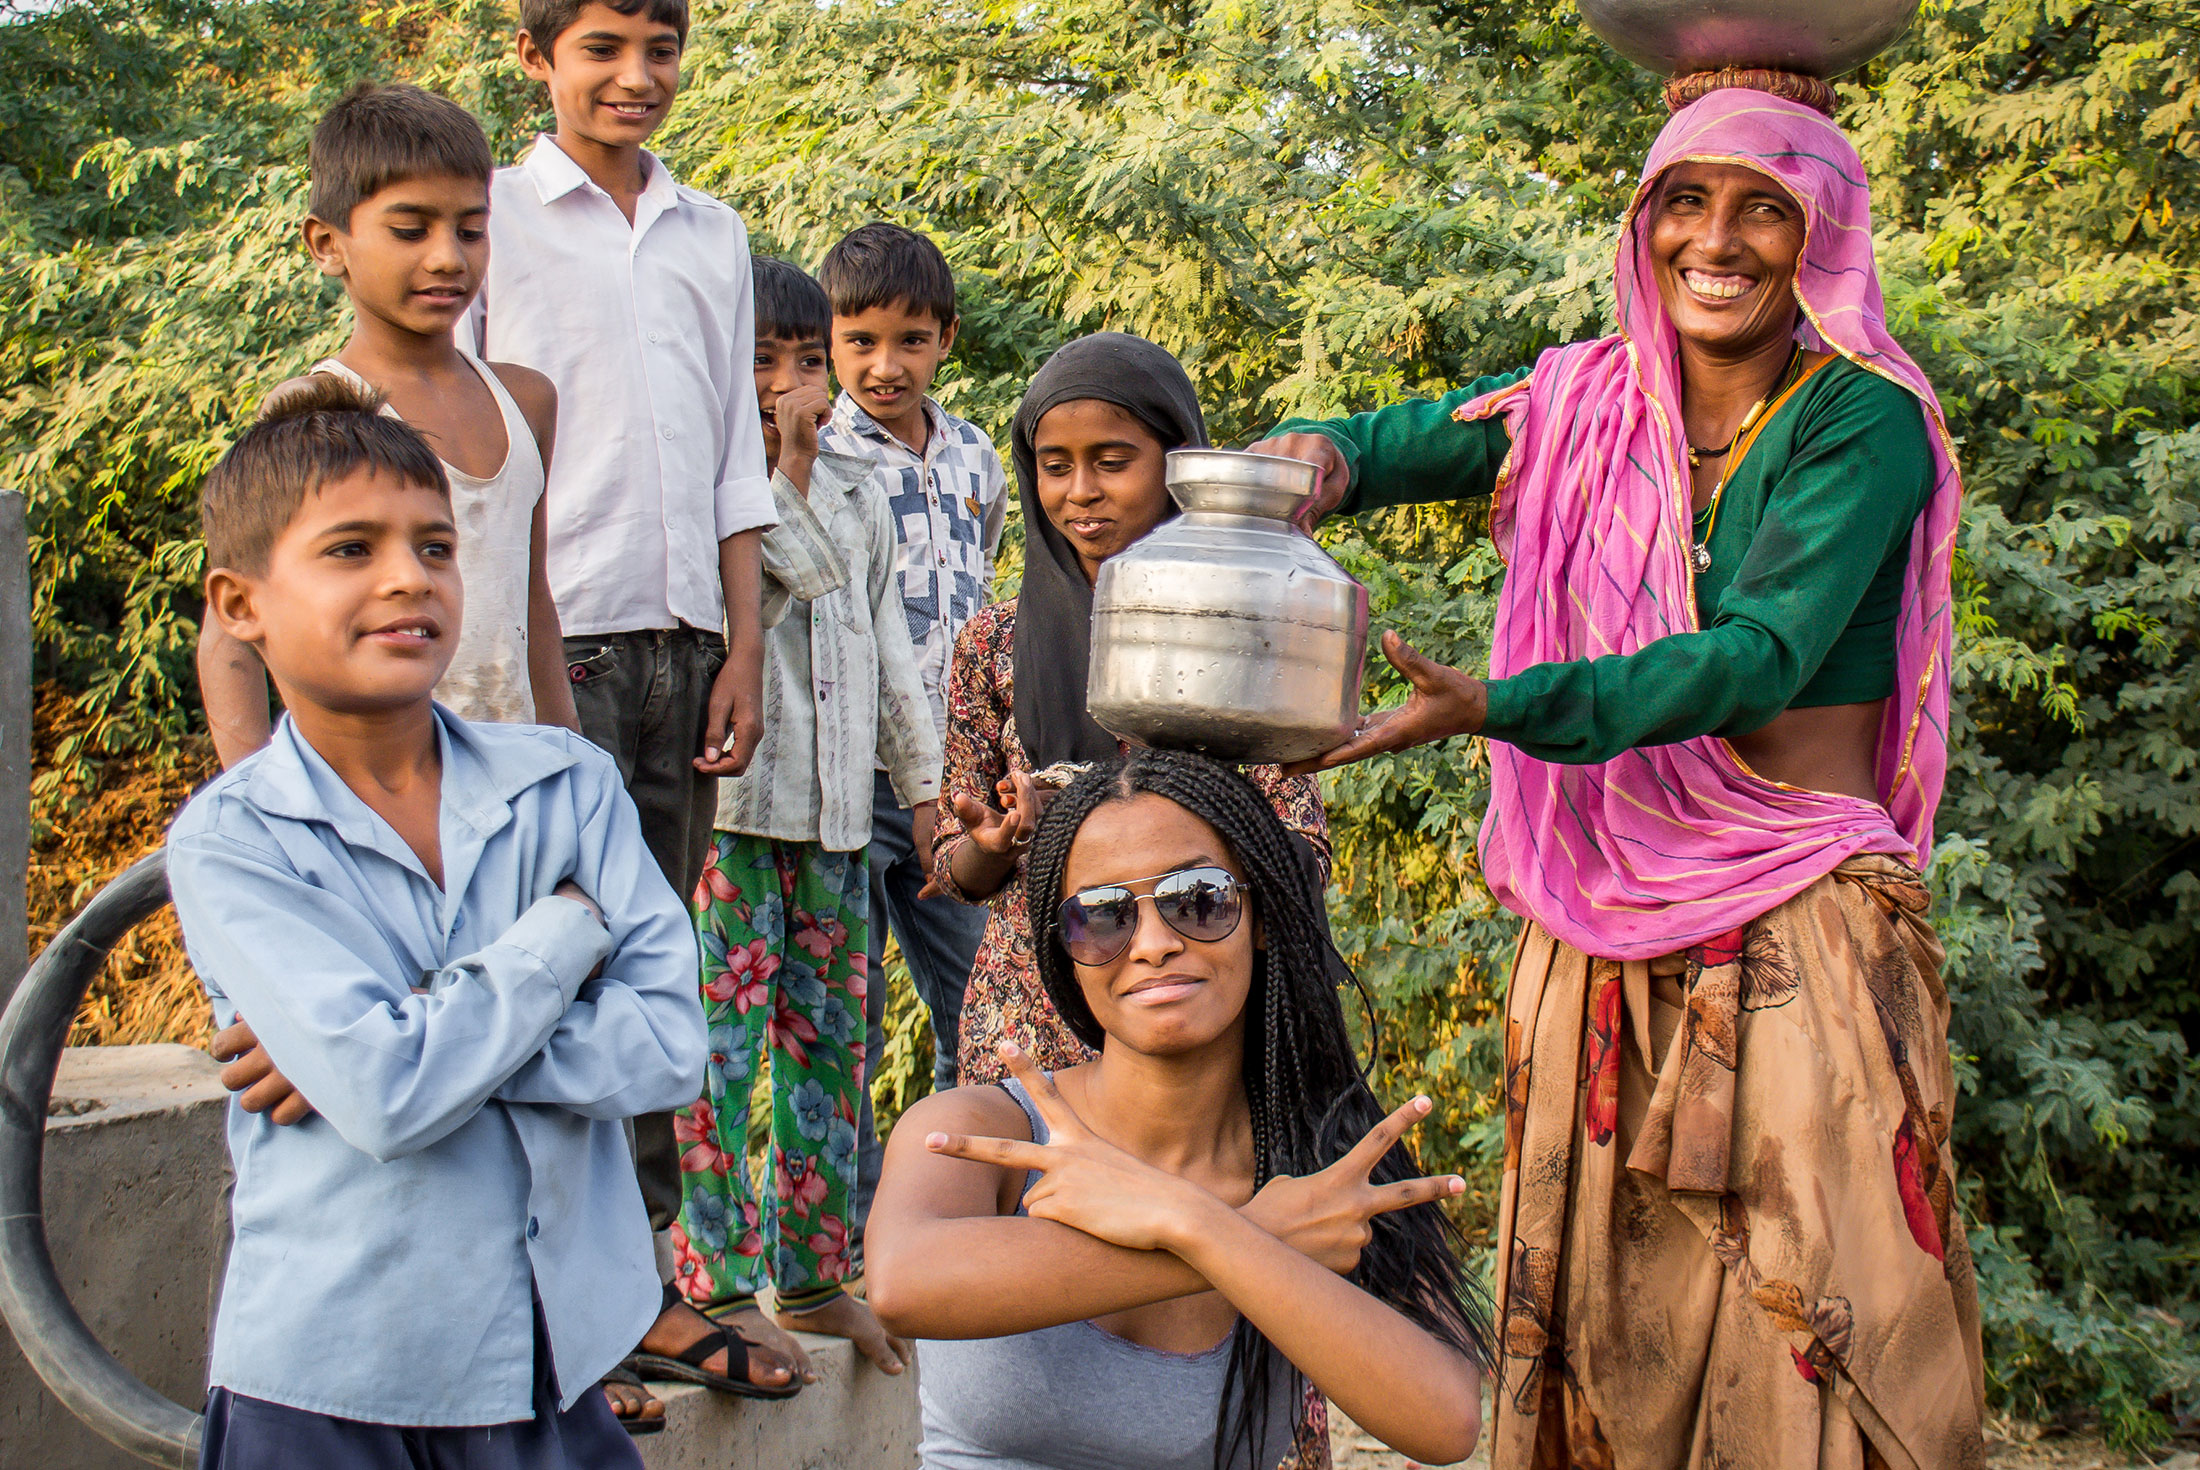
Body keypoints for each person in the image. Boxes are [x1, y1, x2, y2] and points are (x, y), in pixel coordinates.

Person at [1249, 83, 1982, 1467]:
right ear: (1645, 225)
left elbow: (1756, 660)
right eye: (1686, 203)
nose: (1720, 238)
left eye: (1764, 206)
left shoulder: (1860, 422)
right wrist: (1324, 456)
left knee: (1809, 1312)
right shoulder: (1588, 398)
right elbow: (1437, 430)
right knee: (1598, 1314)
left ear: (1817, 234)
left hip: (1802, 922)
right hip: (1594, 928)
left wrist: (1497, 706)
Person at [172, 377, 706, 1464]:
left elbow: (666, 1050)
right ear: (240, 605)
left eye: (435, 546)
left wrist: (394, 1041)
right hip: (330, 1385)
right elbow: (384, 1094)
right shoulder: (236, 839)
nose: (407, 578)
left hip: (555, 1374)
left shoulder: (566, 785)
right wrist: (558, 940)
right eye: (350, 550)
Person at [465, 0, 789, 1417]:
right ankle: (543, 1311)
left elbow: (735, 447)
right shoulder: (483, 216)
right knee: (548, 969)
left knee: (654, 976)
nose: (636, 76)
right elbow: (461, 442)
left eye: (661, 47)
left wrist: (744, 642)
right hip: (555, 648)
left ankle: (643, 1290)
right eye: (604, 47)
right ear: (539, 59)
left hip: (685, 644)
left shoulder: (712, 234)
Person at [866, 749, 1489, 1469]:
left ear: (1260, 917)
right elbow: (900, 1282)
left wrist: (1198, 1226)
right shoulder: (991, 1133)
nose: (1156, 944)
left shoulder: (1315, 1163)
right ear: (1063, 949)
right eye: (1102, 916)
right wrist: (1253, 1238)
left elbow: (1447, 1421)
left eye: (1200, 897)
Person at [927, 333, 1329, 1084]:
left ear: (1179, 465)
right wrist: (1003, 840)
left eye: (1112, 462)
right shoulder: (994, 644)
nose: (1081, 490)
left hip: (1193, 1018)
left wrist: (1150, 833)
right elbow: (954, 862)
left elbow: (1303, 847)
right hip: (1034, 1027)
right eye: (1055, 467)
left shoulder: (1234, 624)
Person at [671, 258, 932, 1385]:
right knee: (717, 1061)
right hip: (735, 816)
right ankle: (715, 1289)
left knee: (834, 1046)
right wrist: (777, 469)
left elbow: (886, 661)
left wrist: (923, 801)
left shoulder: (862, 493)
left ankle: (818, 1276)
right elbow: (787, 586)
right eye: (763, 360)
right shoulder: (709, 494)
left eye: (804, 359)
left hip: (835, 824)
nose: (791, 381)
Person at [194, 82, 579, 761]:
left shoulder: (527, 401)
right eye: (410, 231)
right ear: (326, 243)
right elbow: (232, 635)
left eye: (469, 230)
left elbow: (530, 599)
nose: (447, 258)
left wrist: (572, 759)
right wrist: (261, 801)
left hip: (515, 780)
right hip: (374, 784)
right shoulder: (317, 409)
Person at [814, 221, 1006, 1227]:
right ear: (829, 342)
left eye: (909, 340)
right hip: (851, 775)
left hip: (958, 782)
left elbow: (982, 593)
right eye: (859, 342)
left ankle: (953, 1211)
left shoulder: (976, 453)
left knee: (975, 992)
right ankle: (840, 1235)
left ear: (945, 339)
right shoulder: (816, 455)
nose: (884, 366)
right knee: (847, 1006)